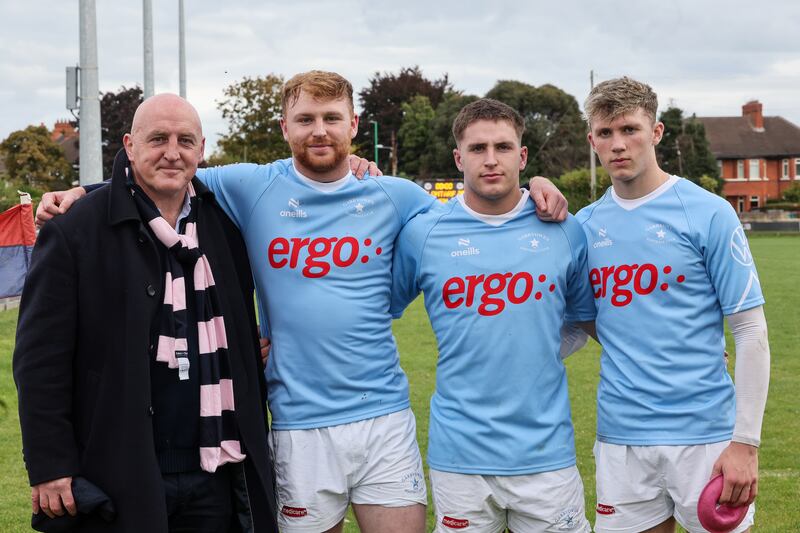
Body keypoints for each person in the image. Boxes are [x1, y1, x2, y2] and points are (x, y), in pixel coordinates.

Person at [35, 71, 568, 533]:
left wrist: (536, 186)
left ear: (353, 126)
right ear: (285, 128)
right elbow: (160, 174)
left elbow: (478, 212)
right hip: (296, 422)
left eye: (332, 118)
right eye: (306, 118)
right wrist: (79, 192)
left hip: (384, 418)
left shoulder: (396, 196)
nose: (320, 130)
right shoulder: (250, 187)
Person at [14, 94, 279, 532]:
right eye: (157, 138)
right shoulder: (74, 231)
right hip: (119, 469)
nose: (172, 152)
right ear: (129, 145)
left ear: (202, 149)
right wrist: (49, 463)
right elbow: (40, 361)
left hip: (216, 471)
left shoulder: (227, 228)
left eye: (185, 140)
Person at [572, 77, 770, 533]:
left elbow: (750, 331)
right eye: (605, 134)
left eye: (629, 130)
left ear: (656, 132)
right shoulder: (584, 227)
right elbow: (585, 317)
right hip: (621, 439)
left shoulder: (707, 213)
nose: (618, 145)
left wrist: (746, 443)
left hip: (706, 438)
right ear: (592, 141)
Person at [390, 98, 595, 533]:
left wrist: (536, 348)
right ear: (458, 157)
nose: (490, 160)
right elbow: (373, 309)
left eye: (502, 147)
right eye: (477, 148)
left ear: (521, 156)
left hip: (546, 455)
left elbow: (585, 320)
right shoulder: (423, 234)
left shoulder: (564, 228)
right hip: (459, 457)